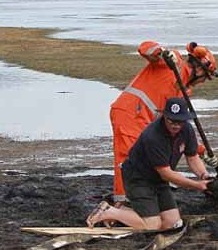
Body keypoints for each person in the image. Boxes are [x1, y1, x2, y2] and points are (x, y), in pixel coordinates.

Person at [109, 40, 218, 204]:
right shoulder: (174, 62)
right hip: (130, 113)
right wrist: (161, 53)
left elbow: (180, 128)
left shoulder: (182, 90)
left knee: (157, 154)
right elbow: (145, 48)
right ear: (198, 69)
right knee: (128, 159)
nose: (202, 82)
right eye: (205, 77)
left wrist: (200, 151)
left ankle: (146, 194)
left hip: (146, 122)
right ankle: (123, 202)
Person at [86, 97, 211, 230]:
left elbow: (192, 157)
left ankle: (120, 210)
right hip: (139, 179)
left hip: (159, 180)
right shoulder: (153, 136)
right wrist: (197, 185)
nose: (176, 125)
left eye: (180, 122)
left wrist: (203, 175)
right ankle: (109, 212)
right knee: (153, 226)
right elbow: (167, 173)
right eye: (172, 121)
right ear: (164, 116)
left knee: (172, 223)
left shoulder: (187, 130)